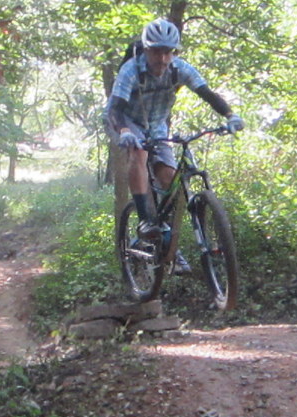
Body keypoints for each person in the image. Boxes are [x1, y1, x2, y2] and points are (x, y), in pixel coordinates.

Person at [103, 18, 243, 273]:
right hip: (125, 121)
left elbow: (207, 93)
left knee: (169, 178)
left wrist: (230, 115)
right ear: (146, 50)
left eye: (169, 52)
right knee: (139, 153)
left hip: (156, 124)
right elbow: (115, 109)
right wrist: (124, 131)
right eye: (157, 51)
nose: (163, 58)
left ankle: (165, 239)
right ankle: (145, 221)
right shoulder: (131, 70)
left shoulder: (180, 69)